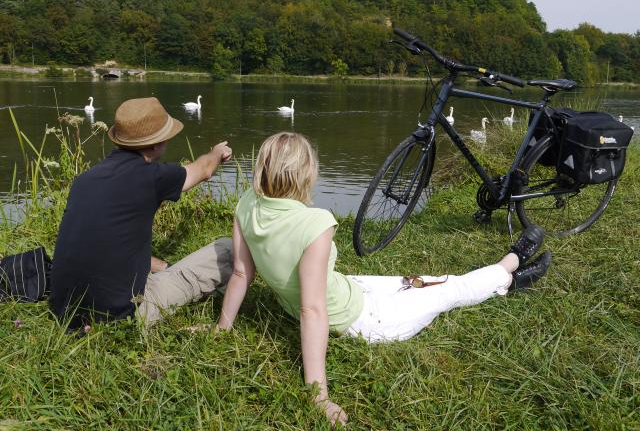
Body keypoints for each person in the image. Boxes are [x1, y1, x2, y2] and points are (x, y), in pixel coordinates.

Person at [217, 132, 552, 426]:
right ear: (307, 173)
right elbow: (312, 311)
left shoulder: (246, 204)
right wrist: (318, 396)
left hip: (348, 287)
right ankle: (510, 268)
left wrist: (222, 327)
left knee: (418, 280)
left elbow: (242, 272)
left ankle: (502, 276)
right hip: (365, 320)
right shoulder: (315, 223)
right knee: (448, 291)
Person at [49, 97, 233, 329]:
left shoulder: (85, 179)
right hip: (118, 316)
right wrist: (217, 152)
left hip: (64, 308)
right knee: (229, 249)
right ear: (157, 144)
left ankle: (162, 271)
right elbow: (203, 170)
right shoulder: (153, 176)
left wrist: (160, 265)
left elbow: (107, 243)